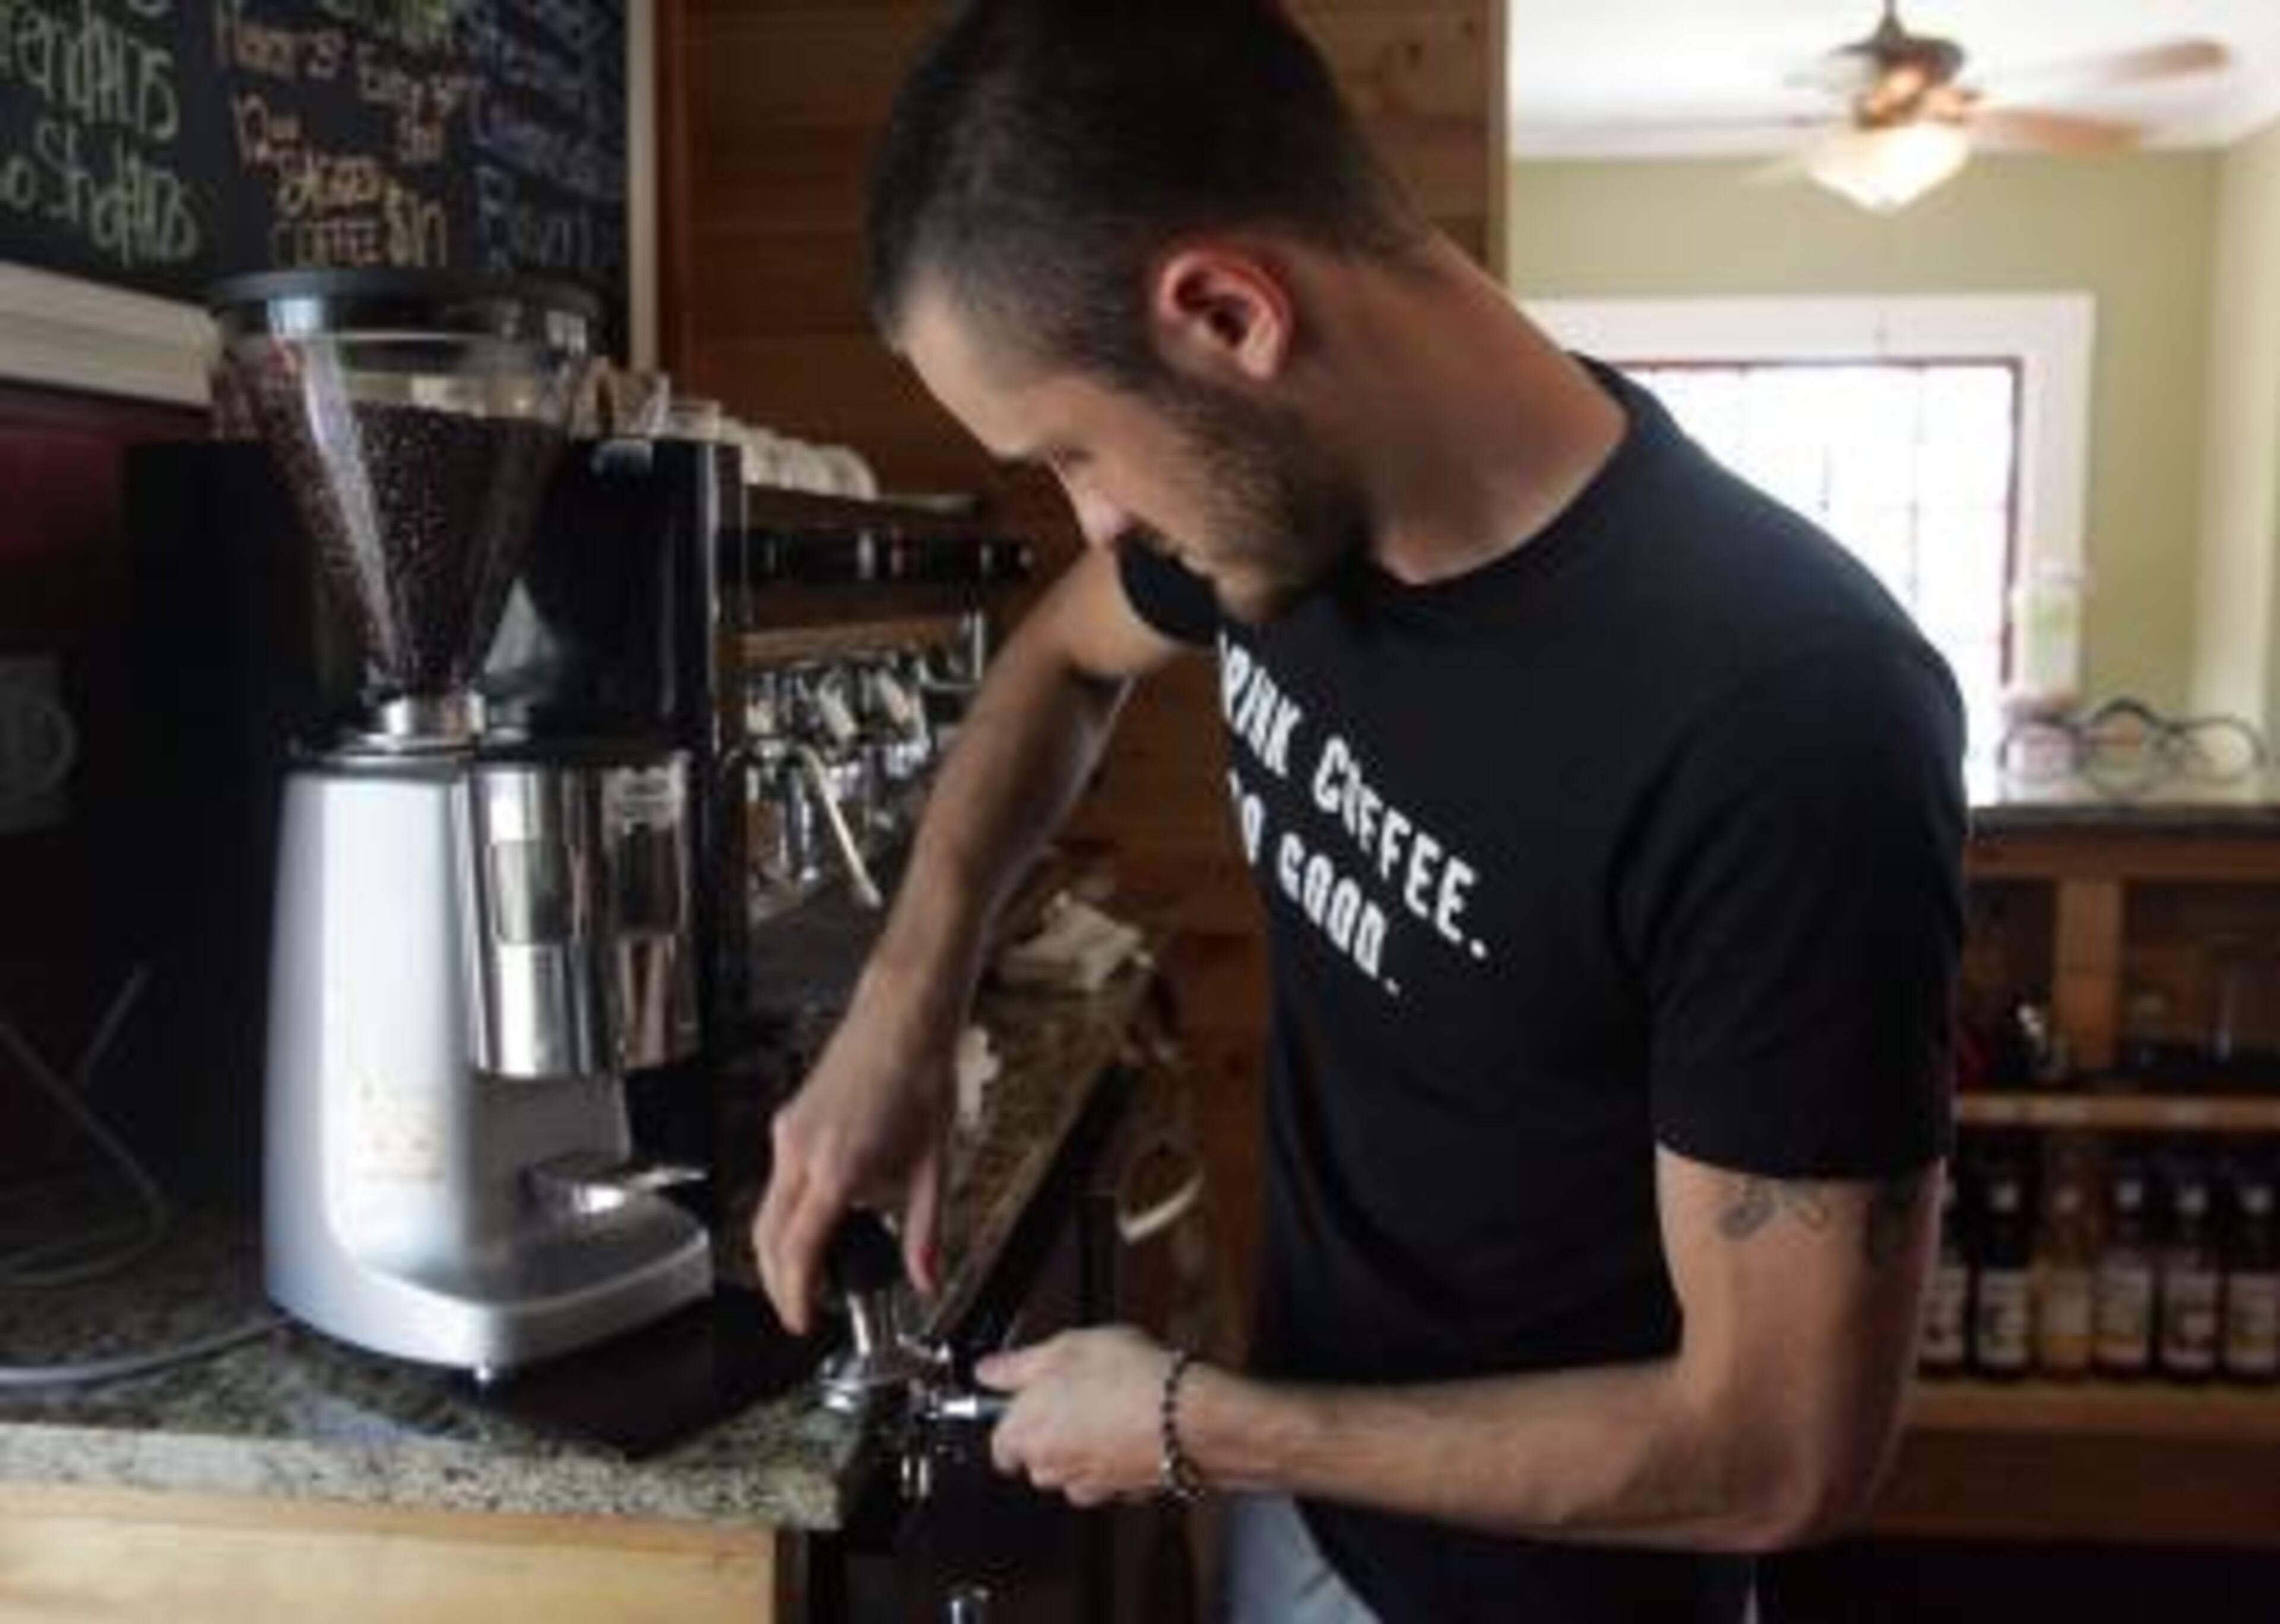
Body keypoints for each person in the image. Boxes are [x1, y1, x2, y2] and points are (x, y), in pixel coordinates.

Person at [751, 3, 1965, 1620]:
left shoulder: (1790, 716)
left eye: (1072, 451)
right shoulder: (1288, 507)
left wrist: (1201, 1428)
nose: (1094, 522)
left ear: (1229, 315)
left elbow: (1781, 1452)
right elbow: (1060, 659)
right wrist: (904, 1006)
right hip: (1302, 1500)